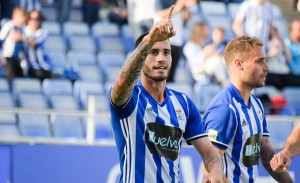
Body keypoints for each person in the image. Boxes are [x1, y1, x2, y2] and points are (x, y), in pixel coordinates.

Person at [109, 6, 225, 183]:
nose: (161, 58)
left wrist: (215, 173)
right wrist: (148, 41)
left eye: (166, 53)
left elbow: (211, 154)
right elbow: (121, 83)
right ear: (141, 57)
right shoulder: (130, 100)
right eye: (153, 53)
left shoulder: (184, 104)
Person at [202, 36, 294, 182]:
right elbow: (209, 167)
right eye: (259, 61)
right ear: (239, 64)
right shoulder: (225, 109)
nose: (267, 67)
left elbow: (265, 151)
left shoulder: (256, 105)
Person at [183, 23, 229, 87]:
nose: (209, 31)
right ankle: (224, 82)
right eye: (206, 29)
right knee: (216, 61)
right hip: (199, 74)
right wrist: (204, 53)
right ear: (200, 31)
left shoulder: (202, 44)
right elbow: (194, 64)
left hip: (206, 70)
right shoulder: (190, 46)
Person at [155, 0, 186, 82]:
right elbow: (160, 14)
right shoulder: (162, 1)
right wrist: (178, 6)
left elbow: (186, 17)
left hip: (177, 42)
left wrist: (185, 7)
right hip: (165, 41)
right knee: (161, 75)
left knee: (171, 77)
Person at [23, 10, 56, 81]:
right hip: (27, 66)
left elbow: (35, 42)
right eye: (32, 19)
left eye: (37, 19)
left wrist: (22, 38)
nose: (34, 22)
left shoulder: (43, 32)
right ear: (28, 20)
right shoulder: (23, 30)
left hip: (41, 66)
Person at [265, 26, 300, 90]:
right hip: (272, 72)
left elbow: (289, 59)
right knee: (277, 81)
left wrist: (283, 45)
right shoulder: (266, 44)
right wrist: (276, 48)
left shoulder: (282, 45)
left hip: (284, 72)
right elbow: (267, 56)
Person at [0, 7, 27, 86]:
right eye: (21, 17)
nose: (23, 19)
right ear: (14, 17)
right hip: (7, 58)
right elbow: (1, 39)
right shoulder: (9, 26)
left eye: (24, 17)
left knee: (21, 78)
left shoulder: (23, 29)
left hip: (17, 59)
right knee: (10, 77)